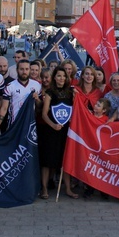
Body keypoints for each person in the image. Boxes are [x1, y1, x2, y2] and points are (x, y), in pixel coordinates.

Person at [40, 67, 76, 199]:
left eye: (63, 76)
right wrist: (53, 125)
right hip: (51, 129)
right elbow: (44, 114)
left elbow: (75, 110)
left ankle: (67, 188)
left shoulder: (71, 92)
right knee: (47, 159)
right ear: (54, 77)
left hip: (66, 130)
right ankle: (44, 188)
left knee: (66, 159)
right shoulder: (50, 92)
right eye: (59, 76)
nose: (61, 78)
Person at [0, 59, 41, 135]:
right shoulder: (10, 86)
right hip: (13, 125)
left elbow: (40, 106)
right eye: (21, 69)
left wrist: (37, 99)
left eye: (26, 69)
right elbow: (4, 108)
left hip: (30, 126)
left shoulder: (37, 85)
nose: (24, 72)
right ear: (17, 70)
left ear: (29, 70)